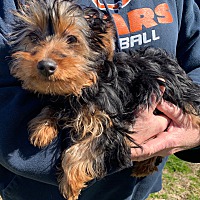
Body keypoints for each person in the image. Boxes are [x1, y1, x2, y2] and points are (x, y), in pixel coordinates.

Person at [0, 0, 199, 200]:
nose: (46, 57)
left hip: (133, 191)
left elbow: (195, 58)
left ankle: (148, 163)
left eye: (71, 40)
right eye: (34, 37)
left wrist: (192, 129)